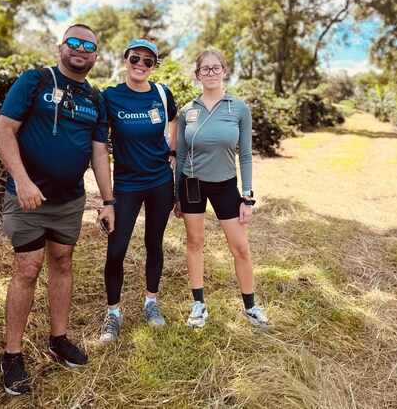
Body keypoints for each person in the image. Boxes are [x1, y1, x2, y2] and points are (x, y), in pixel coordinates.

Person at [0, 24, 115, 396]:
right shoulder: (35, 81)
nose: (81, 49)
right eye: (74, 42)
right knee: (27, 268)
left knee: (62, 262)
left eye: (88, 46)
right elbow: (4, 131)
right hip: (27, 198)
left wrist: (108, 201)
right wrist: (22, 180)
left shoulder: (95, 98)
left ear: (95, 56)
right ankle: (12, 355)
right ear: (61, 47)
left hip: (69, 201)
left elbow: (99, 153)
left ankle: (58, 340)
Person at [174, 48, 272, 329]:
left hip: (226, 186)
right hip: (192, 184)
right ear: (197, 74)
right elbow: (181, 155)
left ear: (224, 71)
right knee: (194, 243)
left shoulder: (238, 108)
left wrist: (247, 196)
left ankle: (250, 307)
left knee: (240, 248)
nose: (211, 73)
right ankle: (198, 305)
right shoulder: (187, 111)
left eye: (216, 67)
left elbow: (245, 155)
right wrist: (176, 195)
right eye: (205, 69)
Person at [99, 37, 178, 343]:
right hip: (127, 186)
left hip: (160, 182)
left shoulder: (162, 93)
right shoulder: (110, 97)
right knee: (116, 249)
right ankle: (113, 314)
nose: (140, 65)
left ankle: (151, 302)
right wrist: (106, 197)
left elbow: (174, 119)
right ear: (125, 60)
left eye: (148, 61)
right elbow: (98, 142)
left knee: (153, 243)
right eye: (135, 58)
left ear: (154, 66)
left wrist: (172, 152)